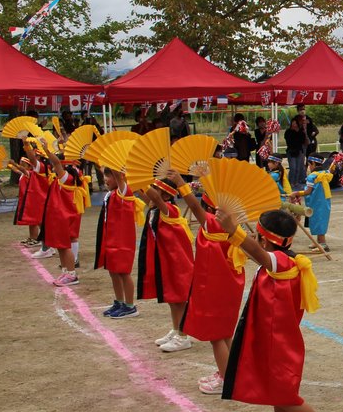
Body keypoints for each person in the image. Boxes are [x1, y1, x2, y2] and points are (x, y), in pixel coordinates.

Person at [216, 207, 343, 412]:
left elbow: (257, 254)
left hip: (279, 342)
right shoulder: (282, 261)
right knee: (277, 392)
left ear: (265, 238)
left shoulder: (282, 262)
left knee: (285, 395)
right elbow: (255, 254)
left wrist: (234, 230)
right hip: (272, 338)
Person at [169, 170, 247, 395]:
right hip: (230, 285)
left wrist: (180, 183)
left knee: (216, 336)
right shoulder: (234, 228)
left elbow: (193, 206)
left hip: (215, 285)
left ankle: (225, 379)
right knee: (225, 333)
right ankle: (232, 373)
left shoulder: (213, 224)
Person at [138, 178, 195, 352]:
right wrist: (132, 178)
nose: (151, 192)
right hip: (166, 259)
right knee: (172, 299)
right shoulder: (155, 207)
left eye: (156, 189)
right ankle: (176, 329)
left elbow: (151, 195)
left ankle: (183, 336)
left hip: (177, 260)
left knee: (179, 299)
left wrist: (146, 184)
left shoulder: (169, 209)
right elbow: (144, 193)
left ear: (164, 194)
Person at [94, 164, 142, 318]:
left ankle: (130, 306)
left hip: (122, 239)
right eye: (105, 176)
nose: (105, 179)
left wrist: (116, 166)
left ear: (118, 177)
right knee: (113, 271)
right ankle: (119, 301)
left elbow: (119, 177)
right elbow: (101, 168)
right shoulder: (112, 193)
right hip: (111, 237)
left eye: (109, 176)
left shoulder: (124, 191)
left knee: (123, 272)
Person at [39, 141, 87, 286]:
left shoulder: (67, 177)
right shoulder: (72, 175)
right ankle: (66, 272)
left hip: (64, 215)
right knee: (61, 245)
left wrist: (47, 150)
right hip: (62, 214)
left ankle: (71, 274)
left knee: (64, 246)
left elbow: (56, 162)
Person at [12, 140, 48, 248]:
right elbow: (19, 170)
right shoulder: (34, 171)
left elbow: (22, 169)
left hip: (35, 197)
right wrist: (10, 165)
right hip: (30, 198)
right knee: (32, 220)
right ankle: (34, 237)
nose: (34, 157)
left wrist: (14, 164)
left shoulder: (33, 171)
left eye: (36, 155)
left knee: (37, 220)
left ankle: (41, 238)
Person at [296, 155, 334, 251]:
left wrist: (297, 193)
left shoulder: (312, 176)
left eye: (309, 164)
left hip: (316, 201)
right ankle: (318, 242)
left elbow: (308, 191)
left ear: (312, 164)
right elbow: (331, 172)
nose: (309, 167)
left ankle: (322, 243)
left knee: (318, 221)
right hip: (324, 201)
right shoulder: (325, 173)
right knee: (320, 220)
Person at [284, 117, 309, 190]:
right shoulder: (288, 131)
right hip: (291, 151)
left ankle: (296, 182)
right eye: (293, 123)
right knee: (293, 168)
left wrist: (302, 131)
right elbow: (289, 141)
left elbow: (303, 141)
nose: (294, 125)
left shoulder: (301, 132)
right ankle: (291, 182)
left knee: (298, 168)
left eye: (295, 123)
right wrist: (295, 132)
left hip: (299, 151)